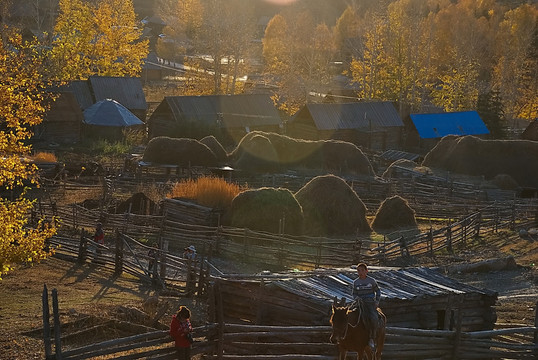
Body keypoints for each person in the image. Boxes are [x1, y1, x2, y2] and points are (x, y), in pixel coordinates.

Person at [352, 262, 381, 349]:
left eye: (362, 270)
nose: (360, 272)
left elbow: (378, 291)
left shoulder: (371, 281)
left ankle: (372, 337)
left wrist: (377, 301)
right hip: (359, 302)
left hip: (369, 302)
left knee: (373, 317)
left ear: (366, 271)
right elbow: (354, 293)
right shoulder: (356, 282)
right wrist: (356, 298)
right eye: (358, 271)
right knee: (348, 315)